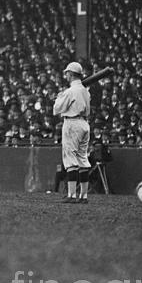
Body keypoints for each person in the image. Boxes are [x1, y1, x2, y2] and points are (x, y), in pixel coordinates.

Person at [52, 62, 91, 203]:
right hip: (85, 123)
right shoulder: (85, 91)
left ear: (71, 74)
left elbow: (57, 108)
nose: (66, 75)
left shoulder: (70, 91)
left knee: (70, 159)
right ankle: (84, 196)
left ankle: (72, 195)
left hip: (72, 123)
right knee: (83, 159)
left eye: (67, 73)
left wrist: (58, 97)